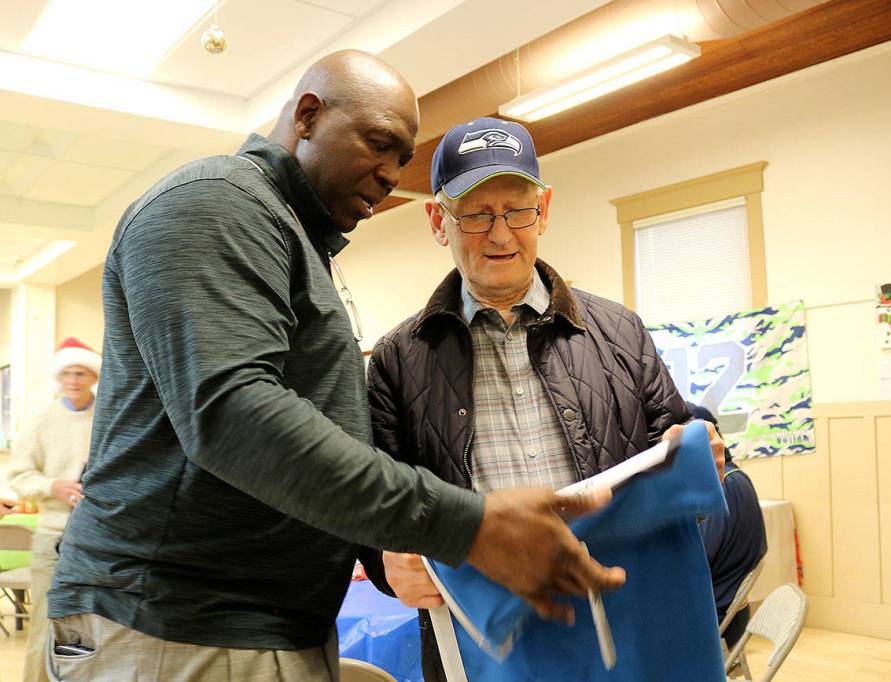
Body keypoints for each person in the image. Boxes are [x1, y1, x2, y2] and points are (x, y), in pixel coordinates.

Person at [46, 52, 623, 682]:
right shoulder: (216, 202)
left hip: (262, 627)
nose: (388, 174)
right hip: (178, 626)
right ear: (308, 115)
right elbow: (233, 414)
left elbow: (322, 453)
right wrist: (467, 525)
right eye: (379, 144)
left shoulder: (293, 240)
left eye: (403, 159)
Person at [365, 117, 726, 681]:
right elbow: (378, 513)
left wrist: (707, 457)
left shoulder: (619, 331)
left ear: (545, 210)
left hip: (622, 620)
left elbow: (677, 450)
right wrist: (389, 566)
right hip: (487, 637)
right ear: (438, 220)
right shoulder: (396, 361)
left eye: (517, 211)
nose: (502, 234)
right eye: (478, 215)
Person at [7, 338, 99, 682]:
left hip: (101, 537)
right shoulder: (42, 419)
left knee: (96, 628)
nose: (73, 380)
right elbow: (18, 476)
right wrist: (54, 486)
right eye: (67, 374)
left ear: (93, 376)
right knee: (45, 624)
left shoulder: (109, 413)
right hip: (53, 535)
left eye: (81, 373)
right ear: (58, 378)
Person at [690, 403, 768, 649]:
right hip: (728, 611)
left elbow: (699, 559)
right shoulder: (736, 477)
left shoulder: (723, 486)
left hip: (719, 620)